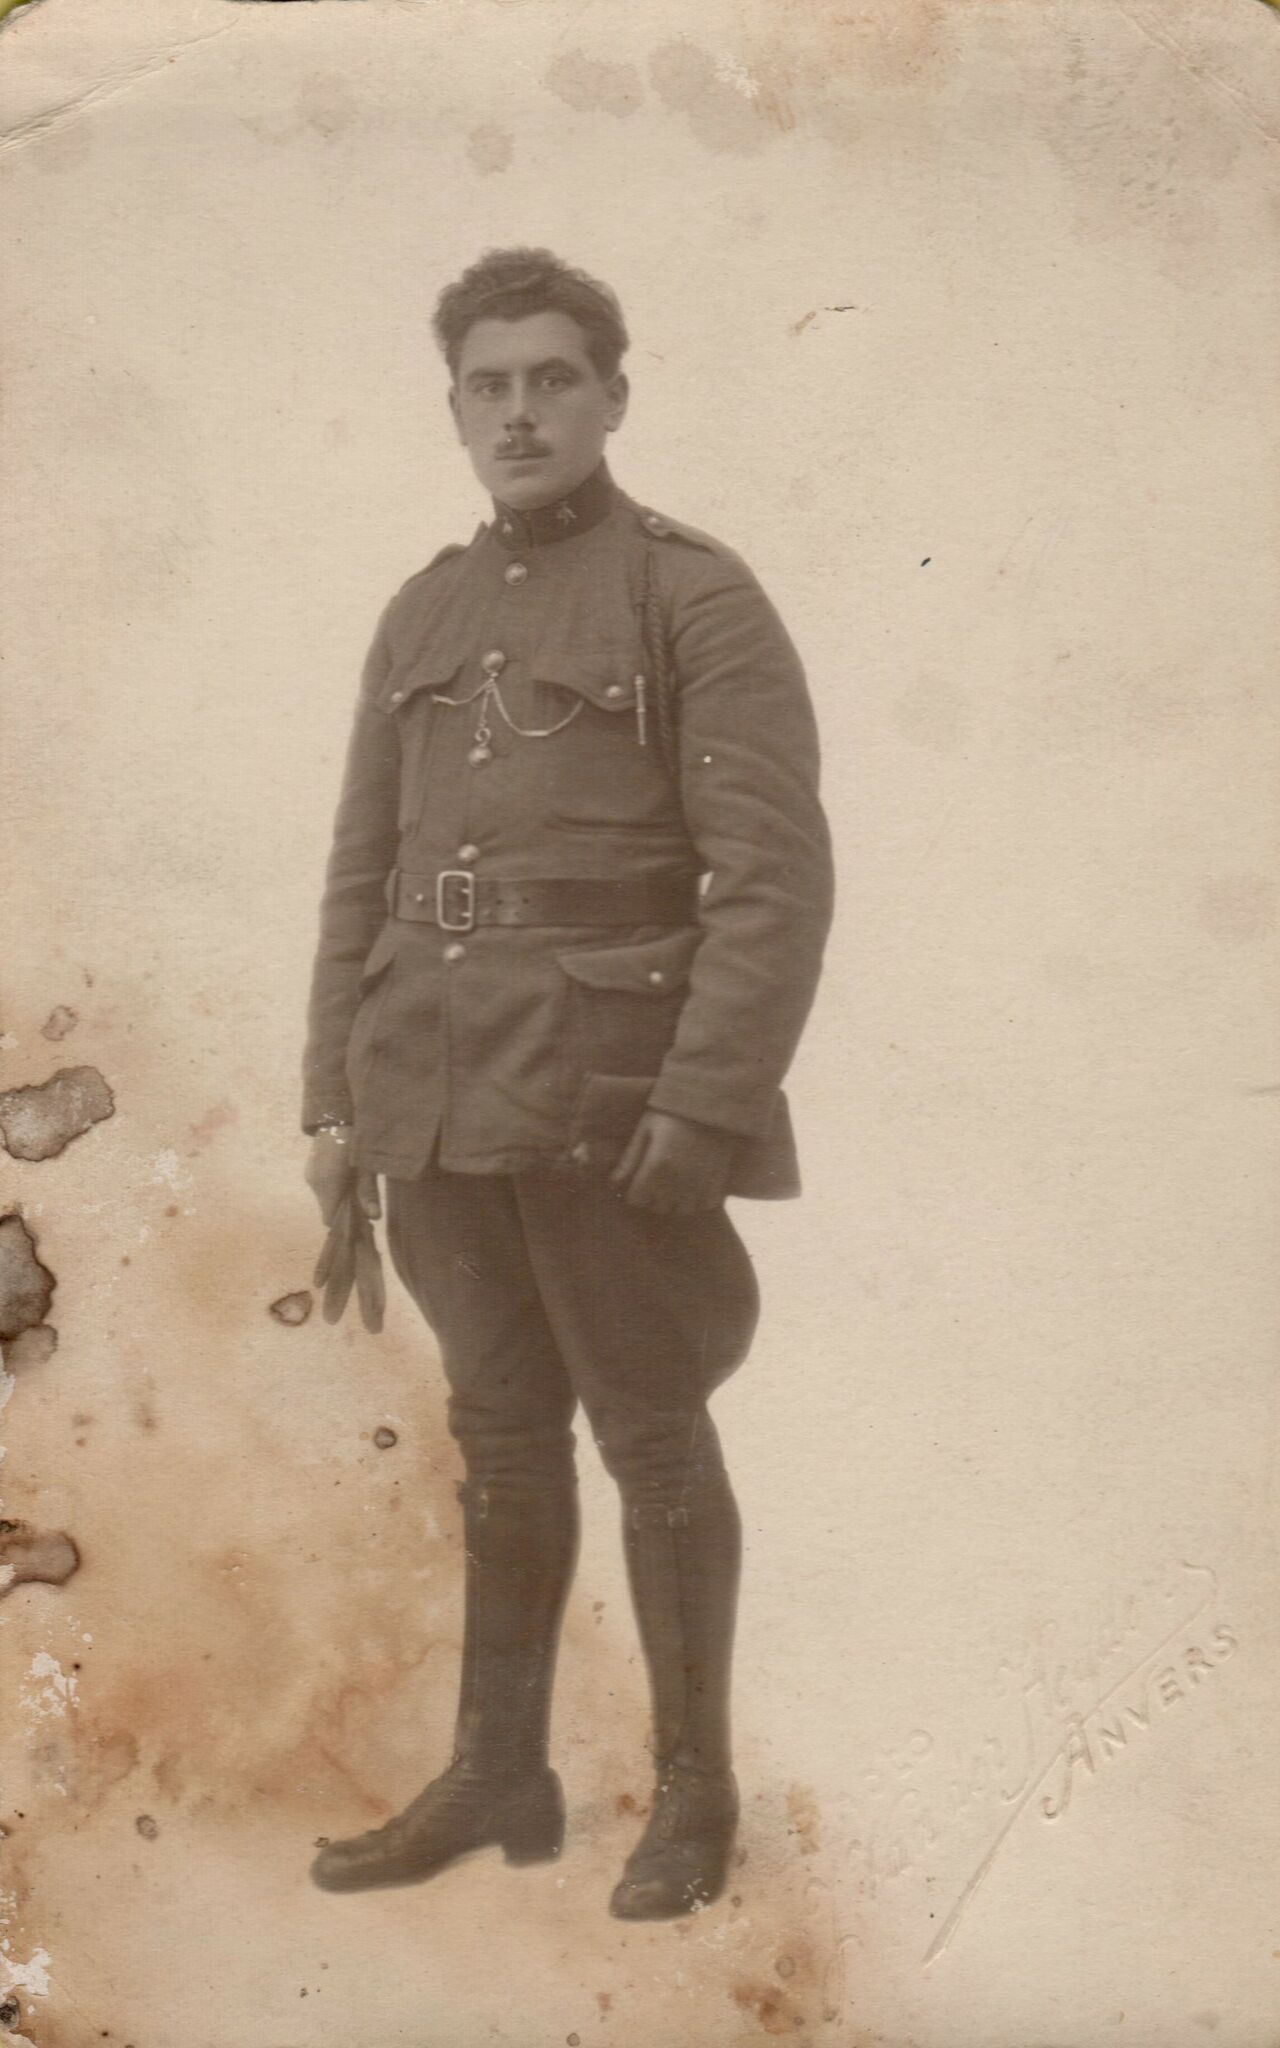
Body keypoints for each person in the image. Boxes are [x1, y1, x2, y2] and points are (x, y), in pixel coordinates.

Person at [301, 247, 834, 1918]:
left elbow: (774, 880)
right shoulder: (424, 610)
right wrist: (334, 1106)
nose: (519, 413)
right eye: (487, 385)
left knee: (654, 1441)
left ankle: (695, 1795)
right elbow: (358, 874)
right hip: (433, 1093)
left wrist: (703, 1103)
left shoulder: (697, 596)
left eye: (552, 380)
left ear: (612, 393)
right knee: (503, 1442)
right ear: (454, 406)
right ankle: (501, 1771)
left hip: (608, 1100)